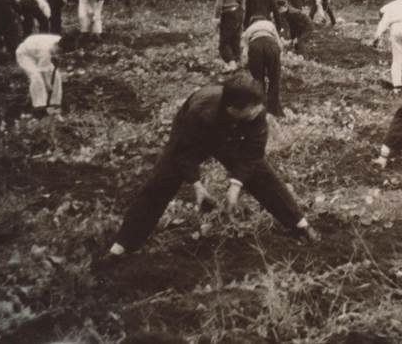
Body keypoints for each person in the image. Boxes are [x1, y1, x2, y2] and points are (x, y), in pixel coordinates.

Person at [107, 75, 319, 256]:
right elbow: (183, 153)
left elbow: (252, 154)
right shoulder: (199, 114)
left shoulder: (256, 109)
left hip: (230, 135)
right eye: (251, 111)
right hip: (194, 135)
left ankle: (300, 225)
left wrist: (235, 186)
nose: (257, 114)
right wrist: (197, 185)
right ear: (232, 109)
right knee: (161, 183)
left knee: (262, 175)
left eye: (258, 109)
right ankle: (122, 246)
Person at [16, 33, 70, 116]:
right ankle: (39, 107)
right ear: (56, 45)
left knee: (56, 76)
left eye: (60, 52)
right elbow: (42, 71)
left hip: (36, 52)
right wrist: (47, 84)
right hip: (25, 55)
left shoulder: (60, 40)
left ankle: (54, 103)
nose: (57, 53)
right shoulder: (46, 51)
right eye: (58, 51)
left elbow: (50, 63)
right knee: (36, 78)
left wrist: (57, 56)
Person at [241, 17, 283, 117]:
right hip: (271, 44)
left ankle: (261, 109)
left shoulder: (248, 30)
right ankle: (273, 110)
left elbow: (244, 51)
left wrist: (246, 64)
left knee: (258, 80)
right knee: (274, 79)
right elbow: (280, 45)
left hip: (255, 46)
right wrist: (278, 59)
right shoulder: (269, 24)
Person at [214, 0, 245, 72]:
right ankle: (237, 62)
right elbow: (243, 6)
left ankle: (232, 64)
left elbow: (218, 4)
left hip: (228, 15)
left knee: (224, 43)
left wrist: (216, 18)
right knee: (235, 40)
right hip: (239, 14)